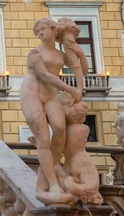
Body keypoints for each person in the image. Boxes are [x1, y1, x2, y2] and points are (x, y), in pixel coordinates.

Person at [20, 18, 82, 204]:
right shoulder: (34, 53)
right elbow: (45, 75)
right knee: (44, 139)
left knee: (60, 129)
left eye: (43, 28)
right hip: (31, 93)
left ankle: (53, 164)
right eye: (37, 30)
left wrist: (80, 53)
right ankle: (53, 183)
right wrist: (71, 89)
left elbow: (81, 69)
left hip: (50, 95)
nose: (39, 32)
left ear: (54, 30)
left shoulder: (62, 55)